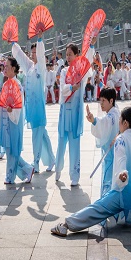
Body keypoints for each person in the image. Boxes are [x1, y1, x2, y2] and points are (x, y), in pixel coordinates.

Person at [51, 106, 131, 237]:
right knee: (107, 202)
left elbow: (121, 160)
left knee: (98, 207)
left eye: (120, 120)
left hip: (126, 192)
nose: (118, 123)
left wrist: (122, 174)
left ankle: (66, 224)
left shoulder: (121, 140)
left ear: (125, 123)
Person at [11, 31, 55, 173]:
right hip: (30, 107)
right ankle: (52, 159)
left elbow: (41, 56)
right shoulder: (29, 67)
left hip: (39, 108)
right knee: (42, 134)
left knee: (37, 134)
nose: (33, 54)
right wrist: (13, 44)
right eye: (32, 52)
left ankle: (36, 163)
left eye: (36, 52)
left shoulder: (41, 67)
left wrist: (40, 39)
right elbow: (21, 57)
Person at [56, 38, 95, 186]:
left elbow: (88, 61)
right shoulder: (65, 71)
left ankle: (74, 175)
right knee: (61, 142)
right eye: (66, 54)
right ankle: (58, 169)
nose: (68, 57)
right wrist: (72, 88)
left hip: (76, 113)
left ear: (77, 55)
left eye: (70, 54)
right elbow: (62, 89)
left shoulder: (82, 72)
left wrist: (91, 46)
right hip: (65, 111)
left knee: (74, 143)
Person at [0, 57, 34, 184]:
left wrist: (12, 111)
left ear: (14, 69)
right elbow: (1, 103)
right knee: (10, 150)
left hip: (14, 121)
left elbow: (18, 106)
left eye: (8, 67)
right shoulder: (5, 85)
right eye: (5, 67)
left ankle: (10, 176)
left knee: (13, 149)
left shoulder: (18, 86)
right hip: (5, 120)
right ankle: (27, 169)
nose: (5, 69)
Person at [85, 87, 120, 197]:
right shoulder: (116, 111)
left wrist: (94, 120)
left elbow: (105, 122)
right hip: (113, 153)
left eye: (103, 100)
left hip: (111, 154)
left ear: (111, 101)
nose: (101, 103)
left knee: (108, 180)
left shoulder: (112, 115)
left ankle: (107, 205)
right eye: (100, 100)